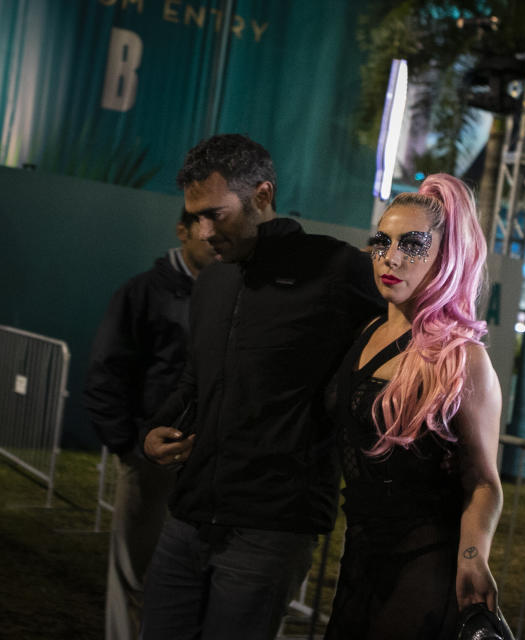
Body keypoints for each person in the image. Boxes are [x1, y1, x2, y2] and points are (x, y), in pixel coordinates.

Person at [139, 134, 384, 640]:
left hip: (273, 525)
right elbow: (195, 378)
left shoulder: (338, 269)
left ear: (263, 195)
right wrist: (155, 428)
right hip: (188, 516)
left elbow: (410, 331)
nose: (203, 232)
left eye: (215, 214)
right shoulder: (213, 281)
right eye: (194, 216)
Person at [323, 174, 503, 639]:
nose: (392, 256)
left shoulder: (462, 359)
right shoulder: (364, 335)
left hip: (425, 567)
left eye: (414, 244)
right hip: (360, 557)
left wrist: (473, 555)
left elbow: (483, 482)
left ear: (446, 257)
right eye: (381, 241)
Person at [83, 210, 215, 640]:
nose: (214, 235)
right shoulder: (142, 292)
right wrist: (131, 447)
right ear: (183, 229)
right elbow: (106, 373)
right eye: (205, 221)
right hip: (150, 460)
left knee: (189, 578)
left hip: (206, 464)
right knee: (135, 573)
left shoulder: (232, 292)